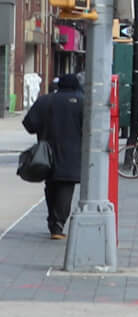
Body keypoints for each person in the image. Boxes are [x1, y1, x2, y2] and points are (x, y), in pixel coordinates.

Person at [23, 71, 86, 241]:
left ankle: (53, 223)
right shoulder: (83, 102)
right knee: (65, 188)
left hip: (47, 153)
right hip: (72, 155)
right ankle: (57, 226)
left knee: (51, 186)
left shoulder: (46, 100)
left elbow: (29, 124)